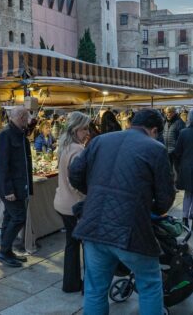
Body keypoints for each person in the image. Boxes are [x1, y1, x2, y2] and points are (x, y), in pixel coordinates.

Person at [69, 108, 175, 315]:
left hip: (94, 225)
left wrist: (96, 195)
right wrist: (149, 208)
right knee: (150, 284)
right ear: (154, 130)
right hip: (130, 229)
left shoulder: (100, 141)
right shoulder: (155, 148)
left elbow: (75, 174)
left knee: (95, 289)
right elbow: (165, 198)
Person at [0, 107, 33, 268]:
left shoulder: (19, 134)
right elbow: (1, 166)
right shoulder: (5, 136)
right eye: (27, 116)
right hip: (10, 187)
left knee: (9, 217)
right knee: (19, 217)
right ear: (20, 117)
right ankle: (3, 251)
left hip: (19, 185)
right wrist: (8, 190)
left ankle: (6, 251)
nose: (29, 120)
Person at [53, 111, 90, 293]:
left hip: (63, 202)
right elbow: (76, 181)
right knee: (85, 246)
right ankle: (80, 284)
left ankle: (71, 283)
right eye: (84, 129)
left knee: (72, 244)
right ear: (75, 129)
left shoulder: (65, 146)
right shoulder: (78, 150)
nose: (87, 133)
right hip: (73, 205)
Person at [163, 107, 185, 183]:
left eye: (169, 112)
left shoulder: (179, 122)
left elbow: (182, 137)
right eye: (166, 113)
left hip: (175, 150)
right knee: (168, 169)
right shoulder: (165, 122)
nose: (167, 114)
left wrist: (178, 149)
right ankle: (171, 184)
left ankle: (178, 183)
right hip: (166, 149)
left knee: (177, 168)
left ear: (174, 113)